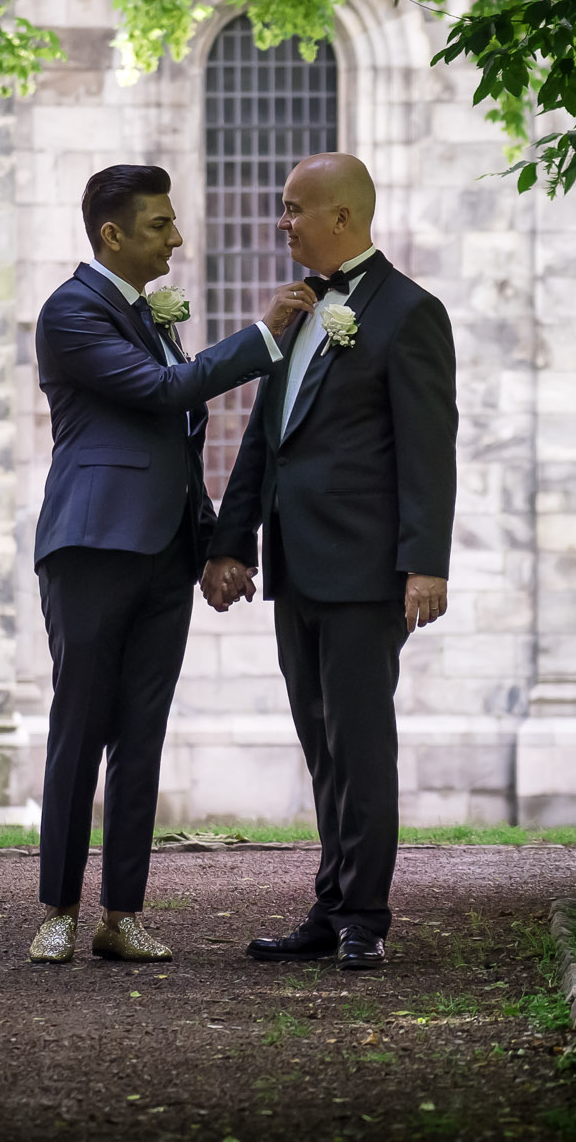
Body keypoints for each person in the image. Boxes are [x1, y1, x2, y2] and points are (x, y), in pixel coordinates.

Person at [28, 164, 315, 965]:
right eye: (160, 224)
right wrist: (263, 340)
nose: (178, 239)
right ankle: (57, 909)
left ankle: (122, 915)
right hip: (90, 546)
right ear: (112, 234)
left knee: (142, 737)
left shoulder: (153, 317)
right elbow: (160, 393)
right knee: (78, 727)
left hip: (162, 555)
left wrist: (216, 545)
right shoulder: (71, 310)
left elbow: (177, 451)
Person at [202, 152, 458, 971]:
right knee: (320, 741)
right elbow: (263, 443)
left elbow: (429, 450)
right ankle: (330, 900)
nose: (283, 222)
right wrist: (231, 542)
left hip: (363, 572)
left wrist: (425, 562)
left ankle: (365, 917)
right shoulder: (298, 312)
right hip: (297, 570)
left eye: (292, 209)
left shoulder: (409, 313)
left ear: (341, 217)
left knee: (360, 742)